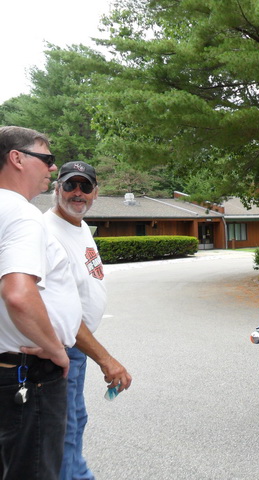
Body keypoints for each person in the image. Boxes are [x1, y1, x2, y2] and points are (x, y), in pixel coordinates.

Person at [0, 126, 82, 479]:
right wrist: (56, 349)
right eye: (46, 158)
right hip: (30, 373)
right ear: (17, 158)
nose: (52, 168)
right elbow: (18, 293)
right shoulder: (21, 214)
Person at [44, 161, 132, 480]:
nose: (77, 193)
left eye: (84, 186)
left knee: (75, 422)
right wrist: (106, 359)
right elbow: (59, 313)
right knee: (63, 432)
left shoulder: (79, 226)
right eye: (70, 185)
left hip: (75, 351)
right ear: (57, 189)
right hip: (59, 351)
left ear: (96, 192)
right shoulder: (48, 233)